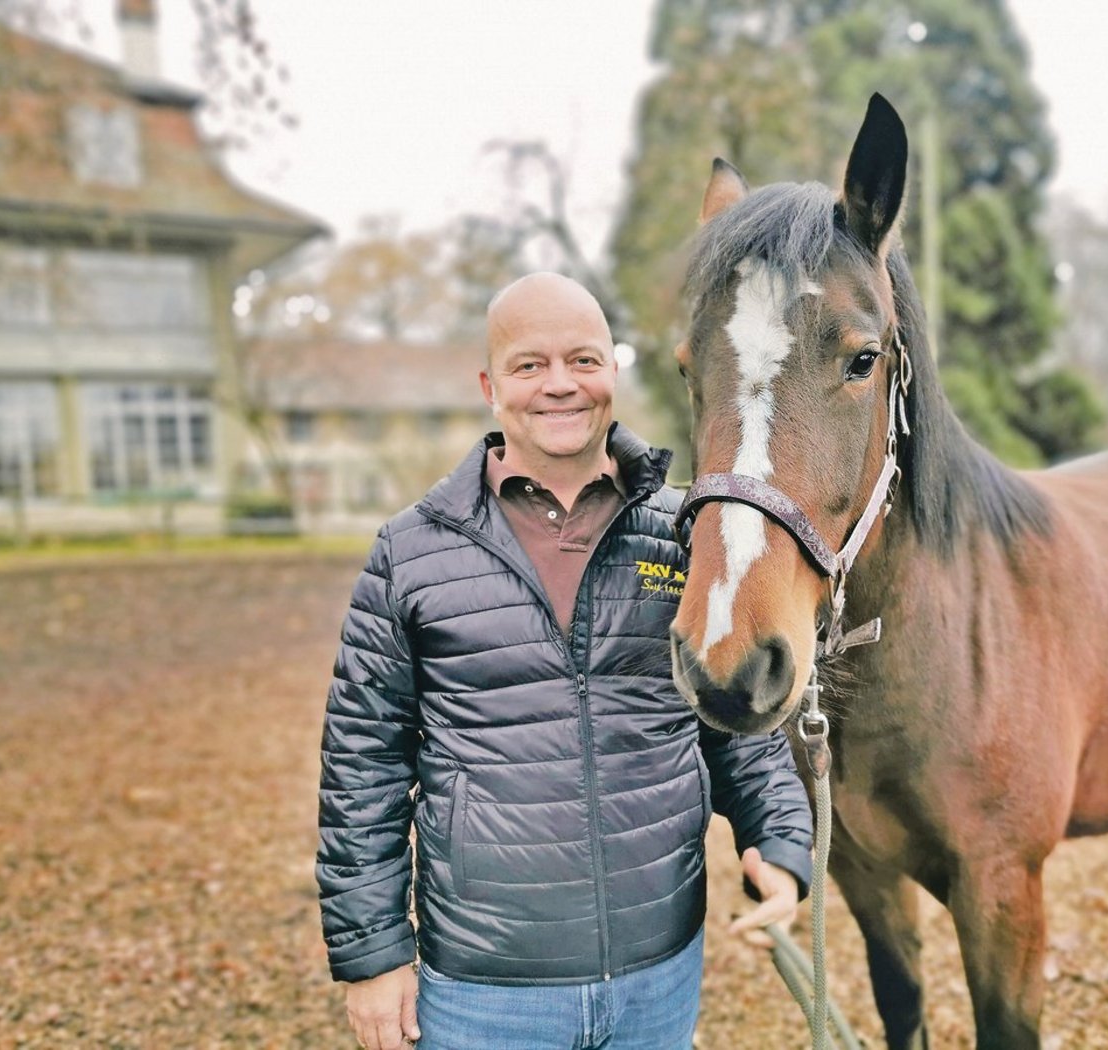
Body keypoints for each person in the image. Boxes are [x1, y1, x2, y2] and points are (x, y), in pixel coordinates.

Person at [316, 272, 814, 1050]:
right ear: (491, 388)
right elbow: (362, 768)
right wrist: (373, 956)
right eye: (529, 365)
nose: (560, 384)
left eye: (583, 360)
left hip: (659, 976)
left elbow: (730, 714)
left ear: (613, 370)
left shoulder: (685, 532)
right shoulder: (410, 553)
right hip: (483, 991)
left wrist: (779, 842)